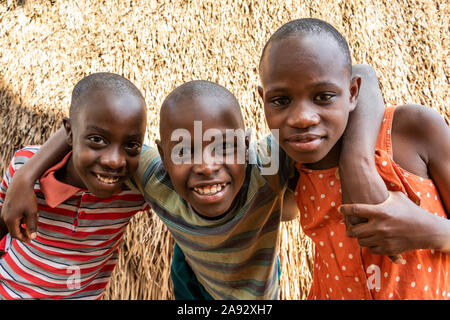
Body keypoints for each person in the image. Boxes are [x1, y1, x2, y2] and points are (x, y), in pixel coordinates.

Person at [1, 76, 384, 299]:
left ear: (248, 145)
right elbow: (88, 132)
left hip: (255, 288)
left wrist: (358, 162)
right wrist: (26, 175)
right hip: (191, 279)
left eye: (223, 146)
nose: (205, 165)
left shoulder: (267, 164)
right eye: (185, 150)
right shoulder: (147, 174)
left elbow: (361, 74)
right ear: (164, 157)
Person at [258, 18, 449, 300]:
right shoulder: (288, 166)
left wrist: (429, 230)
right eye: (281, 101)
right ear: (262, 99)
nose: (301, 118)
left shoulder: (414, 130)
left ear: (353, 93)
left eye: (323, 96)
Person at [0, 72, 150, 299]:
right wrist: (26, 176)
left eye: (131, 145)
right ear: (69, 132)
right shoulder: (24, 165)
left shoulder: (135, 191)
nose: (115, 161)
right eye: (98, 140)